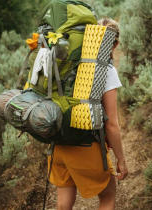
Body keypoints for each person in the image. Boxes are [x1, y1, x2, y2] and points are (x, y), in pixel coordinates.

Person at [48, 17, 128, 210]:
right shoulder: (107, 70)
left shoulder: (69, 64)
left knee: (63, 204)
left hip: (58, 143)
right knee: (107, 198)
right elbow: (111, 124)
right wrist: (121, 160)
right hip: (86, 144)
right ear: (114, 43)